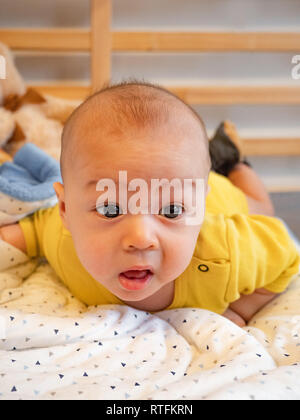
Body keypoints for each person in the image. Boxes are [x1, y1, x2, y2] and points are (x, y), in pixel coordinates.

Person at [0, 81, 299, 328]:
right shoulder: (62, 241)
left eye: (170, 211)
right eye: (110, 210)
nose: (141, 238)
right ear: (67, 211)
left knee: (260, 205)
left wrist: (241, 310)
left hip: (222, 197)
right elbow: (39, 227)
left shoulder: (227, 252)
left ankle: (234, 159)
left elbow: (286, 257)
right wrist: (16, 237)